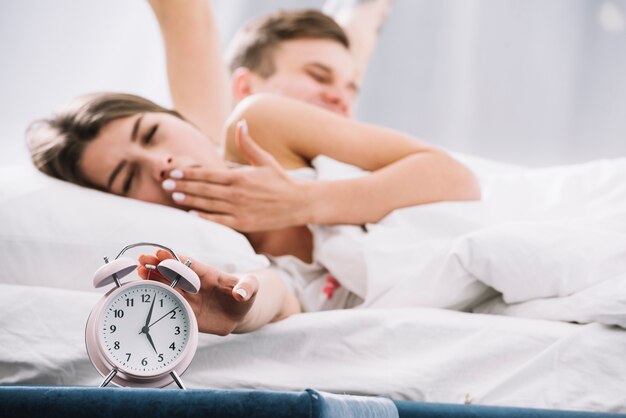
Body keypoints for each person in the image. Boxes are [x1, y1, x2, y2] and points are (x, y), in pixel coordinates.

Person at [25, 0, 480, 335]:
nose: (159, 163)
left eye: (152, 134)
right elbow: (277, 294)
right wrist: (236, 309)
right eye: (128, 179)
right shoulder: (209, 242)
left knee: (329, 68)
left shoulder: (257, 122)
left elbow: (458, 179)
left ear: (173, 116)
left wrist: (299, 202)